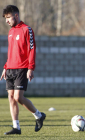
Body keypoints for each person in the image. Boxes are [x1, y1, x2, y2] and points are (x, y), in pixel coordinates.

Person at [0, 5, 46, 135]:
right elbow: (11, 52)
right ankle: (16, 127)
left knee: (18, 97)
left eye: (8, 17)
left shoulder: (27, 30)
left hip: (21, 68)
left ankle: (38, 115)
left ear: (16, 15)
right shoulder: (10, 32)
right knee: (11, 98)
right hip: (10, 68)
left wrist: (30, 68)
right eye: (5, 18)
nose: (6, 21)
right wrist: (5, 67)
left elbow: (32, 49)